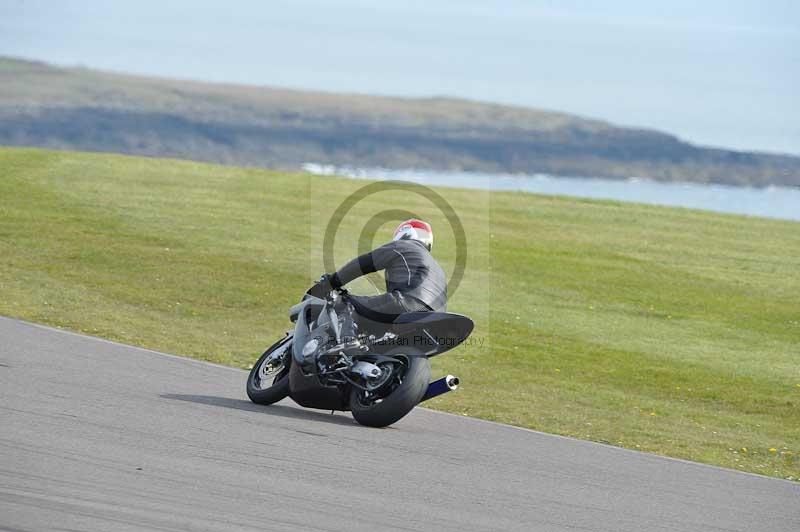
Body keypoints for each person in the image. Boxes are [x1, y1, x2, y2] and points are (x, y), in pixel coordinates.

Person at [323, 219, 447, 325]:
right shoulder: (437, 267)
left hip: (407, 303)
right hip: (435, 317)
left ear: (404, 233)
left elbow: (364, 264)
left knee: (344, 304)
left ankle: (347, 343)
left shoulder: (402, 246)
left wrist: (333, 281)